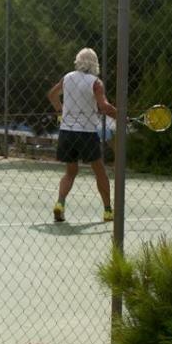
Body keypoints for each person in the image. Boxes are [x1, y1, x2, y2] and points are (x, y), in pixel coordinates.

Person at [47, 47, 118, 223]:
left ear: (78, 61)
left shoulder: (67, 78)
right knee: (100, 172)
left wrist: (60, 110)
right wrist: (122, 116)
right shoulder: (96, 83)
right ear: (95, 64)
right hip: (86, 134)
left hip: (66, 133)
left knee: (70, 172)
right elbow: (104, 106)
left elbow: (52, 95)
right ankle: (108, 211)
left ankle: (60, 204)